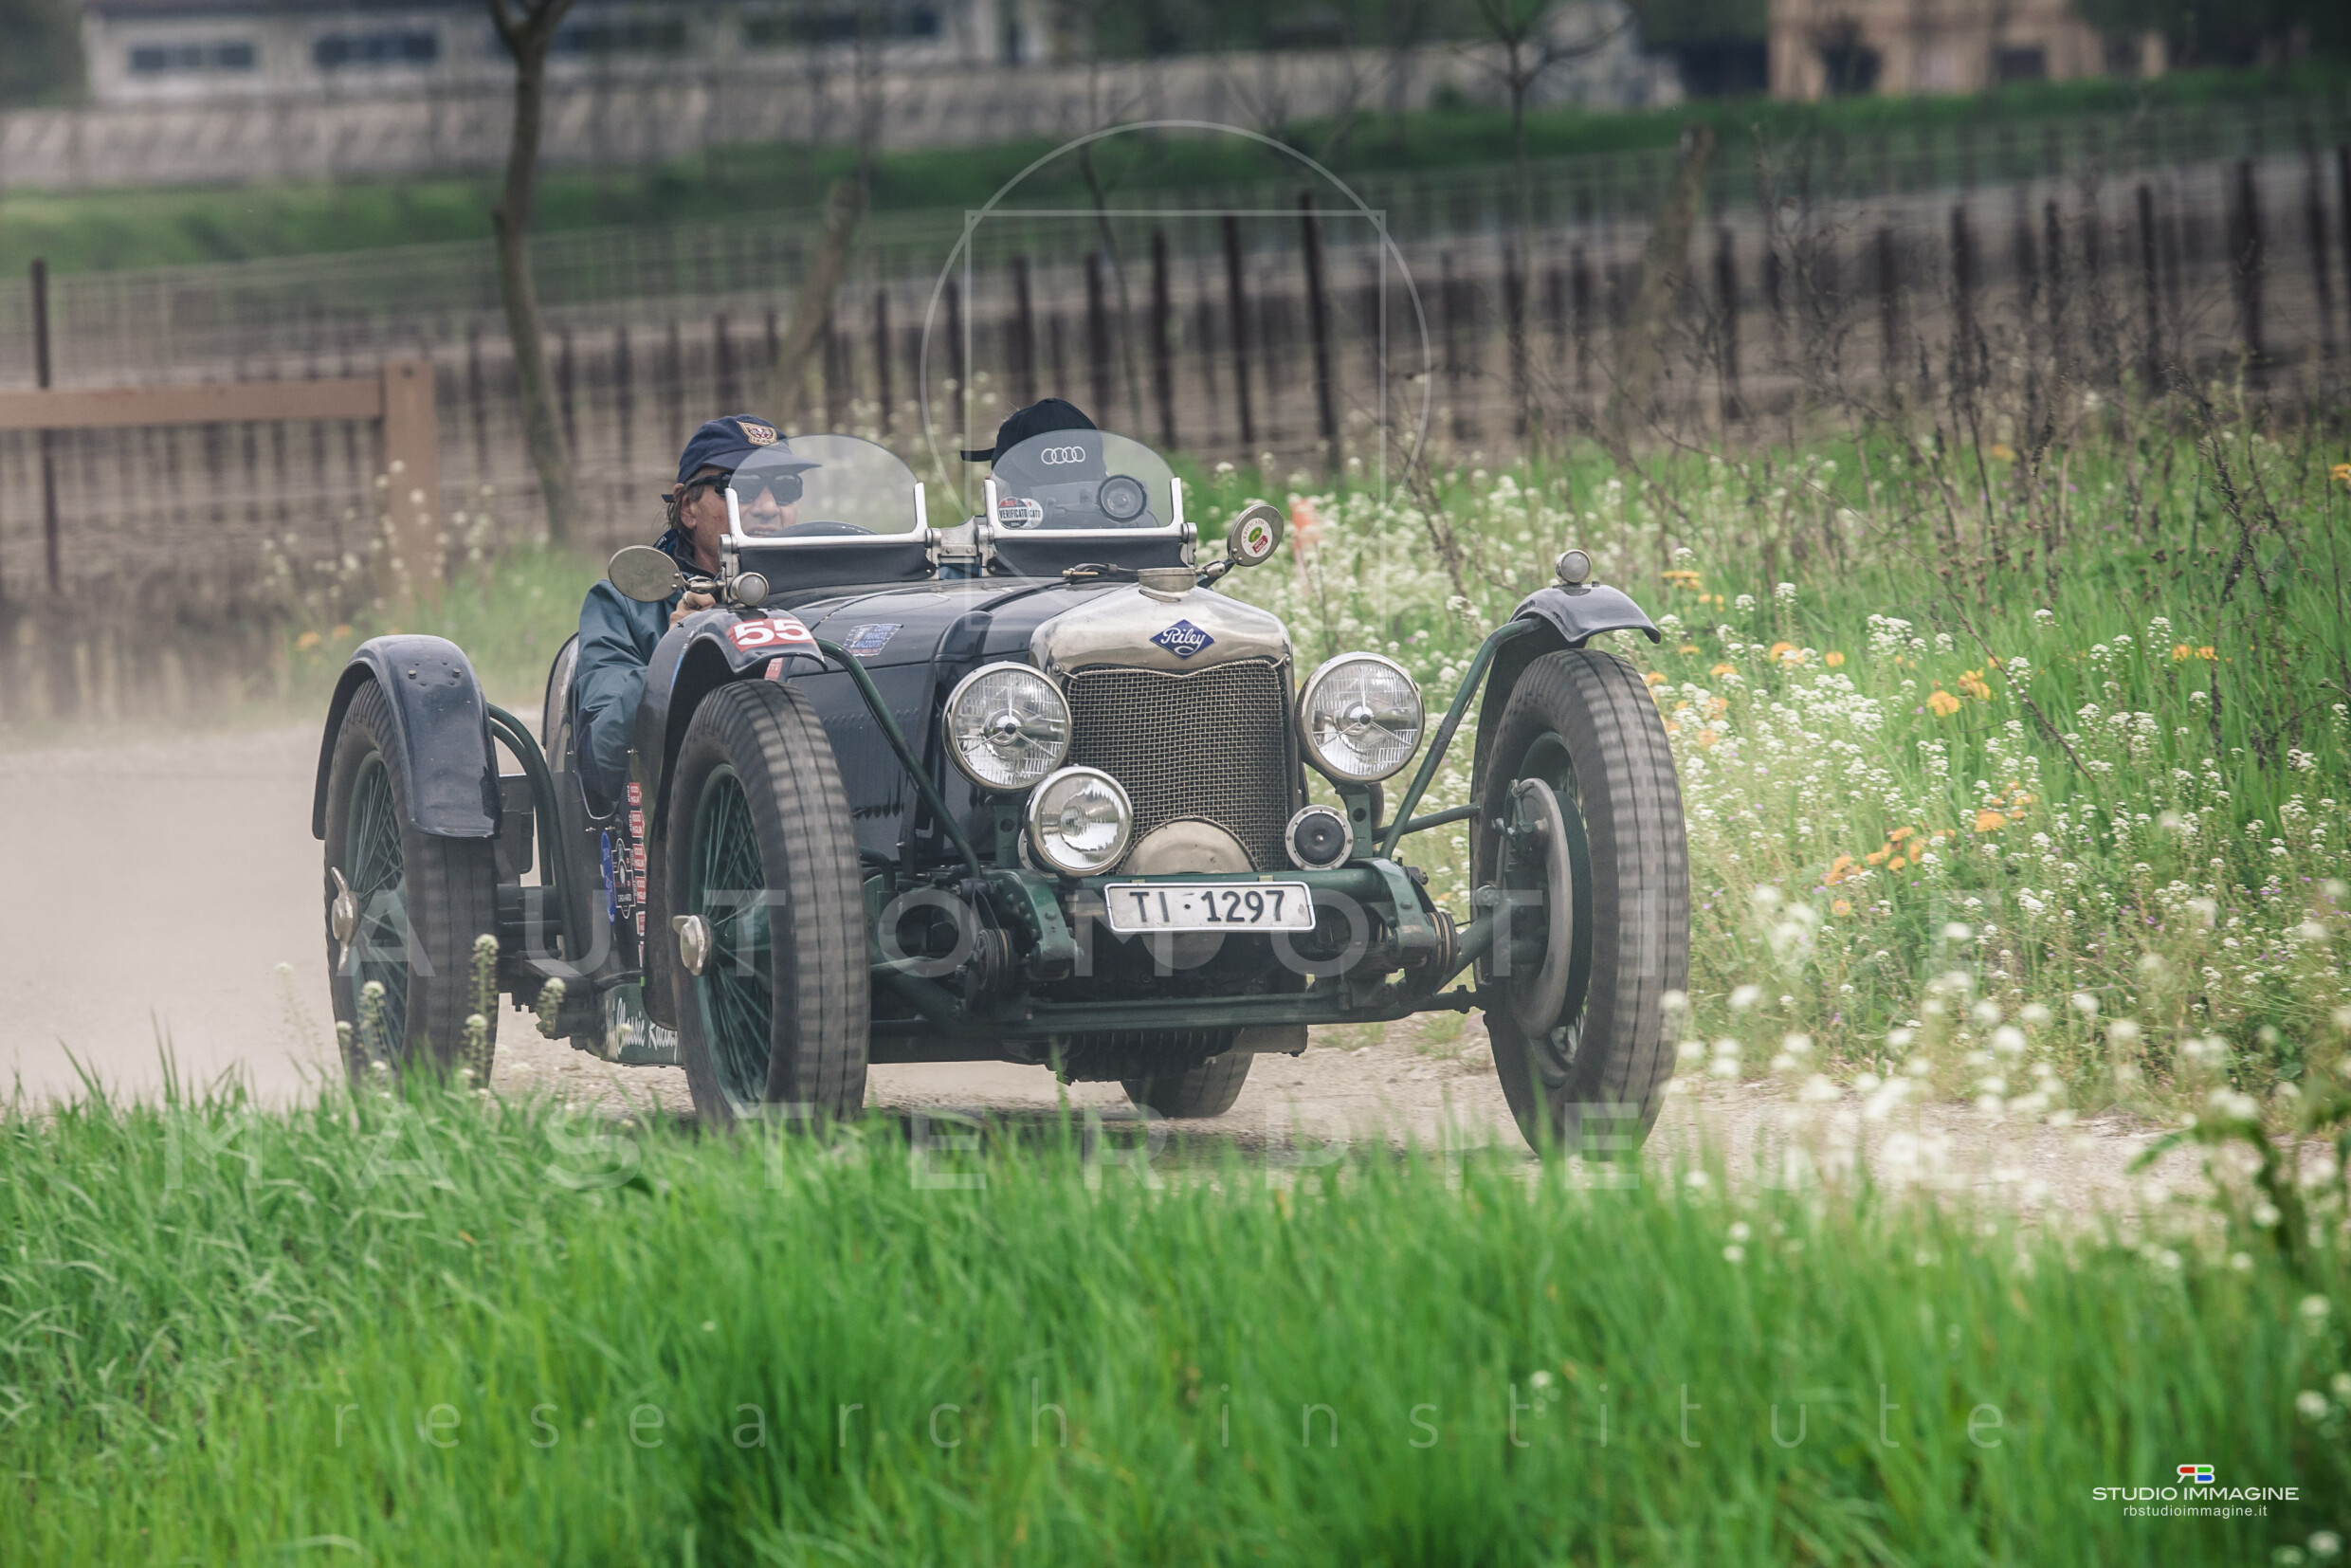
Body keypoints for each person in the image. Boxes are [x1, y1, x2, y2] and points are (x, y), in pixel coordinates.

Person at [572, 413, 811, 810]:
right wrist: (676, 654)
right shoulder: (625, 605)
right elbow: (601, 762)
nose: (769, 507)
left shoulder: (827, 595)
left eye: (786, 488)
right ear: (688, 507)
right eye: (740, 487)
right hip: (695, 821)